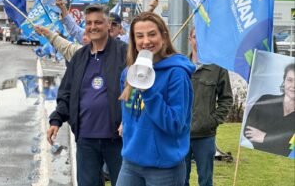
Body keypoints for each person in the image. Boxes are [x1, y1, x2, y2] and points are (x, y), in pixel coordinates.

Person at [47, 3, 127, 186]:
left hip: (118, 140)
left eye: (98, 22)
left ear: (108, 24)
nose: (93, 27)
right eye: (89, 23)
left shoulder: (124, 53)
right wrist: (56, 120)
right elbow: (66, 92)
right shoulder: (79, 57)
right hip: (86, 139)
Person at [116, 12, 195, 186]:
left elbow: (175, 125)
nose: (146, 41)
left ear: (163, 36)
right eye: (139, 36)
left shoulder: (177, 74)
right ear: (133, 41)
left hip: (164, 168)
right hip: (130, 163)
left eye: (152, 34)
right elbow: (131, 115)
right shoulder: (128, 74)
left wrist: (148, 91)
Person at [184, 27, 233, 186]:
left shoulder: (217, 68)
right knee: (179, 180)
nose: (199, 40)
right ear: (190, 40)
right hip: (181, 135)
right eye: (195, 37)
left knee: (205, 180)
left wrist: (212, 120)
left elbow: (226, 99)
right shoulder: (180, 66)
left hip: (205, 135)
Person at [244, 63, 295, 157]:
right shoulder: (265, 100)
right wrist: (284, 141)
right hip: (258, 158)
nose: (293, 85)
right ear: (284, 81)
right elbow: (248, 132)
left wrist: (265, 137)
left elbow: (293, 146)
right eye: (290, 80)